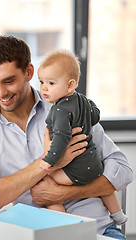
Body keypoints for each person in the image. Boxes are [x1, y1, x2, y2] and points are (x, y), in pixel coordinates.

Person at [0, 36, 132, 239]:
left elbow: (123, 170)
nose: (1, 93)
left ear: (28, 72)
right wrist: (47, 162)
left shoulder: (67, 107)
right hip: (31, 234)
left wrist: (65, 193)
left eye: (9, 81)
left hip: (95, 230)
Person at [37, 49, 127, 225]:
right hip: (93, 163)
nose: (44, 88)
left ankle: (63, 223)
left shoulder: (59, 110)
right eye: (41, 82)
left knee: (48, 185)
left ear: (70, 85)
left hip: (75, 171)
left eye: (51, 83)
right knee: (105, 188)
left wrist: (49, 160)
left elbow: (62, 138)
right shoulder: (83, 100)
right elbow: (95, 115)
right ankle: (117, 214)